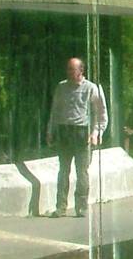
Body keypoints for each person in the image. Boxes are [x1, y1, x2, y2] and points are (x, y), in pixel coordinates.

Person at [46, 56, 108, 217]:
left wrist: (96, 133)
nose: (69, 72)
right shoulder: (61, 87)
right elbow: (55, 111)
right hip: (65, 132)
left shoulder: (91, 88)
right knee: (63, 171)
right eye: (68, 69)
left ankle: (81, 206)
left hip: (82, 134)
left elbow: (100, 113)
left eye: (72, 69)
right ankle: (61, 207)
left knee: (82, 173)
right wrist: (50, 131)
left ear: (81, 70)